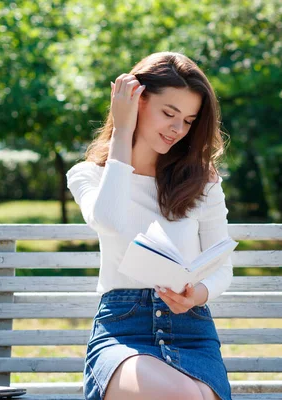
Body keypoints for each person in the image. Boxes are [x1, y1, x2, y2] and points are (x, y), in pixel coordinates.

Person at [65, 51, 233, 400]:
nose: (177, 129)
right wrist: (123, 131)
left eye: (188, 120)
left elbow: (221, 265)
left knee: (196, 396)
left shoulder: (202, 181)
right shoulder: (89, 176)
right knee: (186, 396)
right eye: (169, 113)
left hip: (192, 329)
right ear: (136, 103)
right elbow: (109, 220)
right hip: (123, 331)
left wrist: (195, 295)